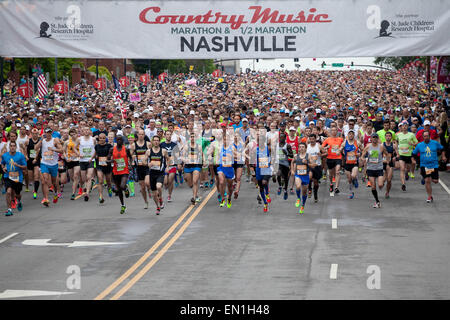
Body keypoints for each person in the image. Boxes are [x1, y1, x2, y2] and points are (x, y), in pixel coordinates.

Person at [412, 131, 447, 203]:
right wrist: (414, 160)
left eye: (427, 136)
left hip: (434, 165)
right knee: (427, 181)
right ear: (423, 137)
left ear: (429, 136)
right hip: (424, 165)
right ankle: (429, 196)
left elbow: (442, 149)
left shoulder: (435, 143)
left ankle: (425, 176)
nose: (426, 137)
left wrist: (443, 156)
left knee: (435, 181)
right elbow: (413, 153)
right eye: (424, 136)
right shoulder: (419, 145)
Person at [34, 127, 64, 207]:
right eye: (47, 132)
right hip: (44, 163)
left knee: (54, 182)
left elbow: (61, 150)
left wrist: (53, 149)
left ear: (52, 133)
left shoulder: (55, 140)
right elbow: (35, 148)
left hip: (53, 164)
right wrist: (40, 140)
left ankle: (55, 193)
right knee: (45, 180)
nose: (48, 134)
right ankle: (45, 198)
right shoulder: (42, 141)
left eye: (50, 132)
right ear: (44, 133)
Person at [361, 133, 389, 208]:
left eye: (376, 137)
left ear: (378, 138)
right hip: (370, 168)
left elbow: (387, 154)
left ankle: (383, 182)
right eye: (373, 137)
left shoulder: (381, 147)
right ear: (371, 138)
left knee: (380, 185)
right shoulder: (368, 147)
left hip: (379, 168)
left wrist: (388, 161)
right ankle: (377, 201)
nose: (375, 139)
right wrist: (363, 159)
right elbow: (362, 155)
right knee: (373, 187)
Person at [1, 141, 27, 216]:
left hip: (18, 177)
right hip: (8, 176)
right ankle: (9, 209)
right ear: (9, 147)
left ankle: (19, 201)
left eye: (14, 146)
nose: (12, 147)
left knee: (17, 194)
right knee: (8, 192)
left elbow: (25, 167)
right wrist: (3, 168)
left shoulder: (20, 155)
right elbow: (2, 163)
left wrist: (18, 165)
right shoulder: (5, 155)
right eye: (11, 146)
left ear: (16, 147)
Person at [108, 135, 131, 214]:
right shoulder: (112, 149)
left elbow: (130, 157)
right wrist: (110, 161)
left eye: (120, 140)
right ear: (115, 140)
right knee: (119, 190)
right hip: (116, 171)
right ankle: (123, 205)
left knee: (122, 186)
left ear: (123, 141)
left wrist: (130, 164)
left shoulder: (126, 149)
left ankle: (126, 189)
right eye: (117, 140)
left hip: (124, 170)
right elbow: (108, 158)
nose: (119, 141)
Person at [129, 129, 151, 209]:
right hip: (139, 167)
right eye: (140, 134)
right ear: (137, 135)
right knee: (142, 187)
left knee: (147, 183)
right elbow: (131, 155)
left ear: (144, 135)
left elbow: (152, 152)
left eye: (142, 134)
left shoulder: (148, 144)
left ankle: (149, 190)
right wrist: (132, 157)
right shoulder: (134, 145)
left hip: (147, 167)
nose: (141, 136)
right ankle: (146, 202)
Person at [148, 135, 170, 215]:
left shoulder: (163, 151)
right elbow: (143, 161)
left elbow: (168, 159)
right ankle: (157, 206)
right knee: (154, 194)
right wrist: (148, 164)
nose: (156, 142)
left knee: (159, 186)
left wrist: (167, 167)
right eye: (155, 140)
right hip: (152, 173)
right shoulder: (149, 151)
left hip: (160, 173)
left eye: (157, 140)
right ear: (153, 142)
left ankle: (160, 198)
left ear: (159, 141)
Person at [91, 133, 113, 204]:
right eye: (101, 138)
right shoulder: (97, 146)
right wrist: (92, 158)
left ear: (105, 139)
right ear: (99, 139)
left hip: (107, 165)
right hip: (99, 165)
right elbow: (95, 153)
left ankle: (109, 189)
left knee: (108, 181)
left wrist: (111, 159)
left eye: (103, 138)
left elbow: (112, 154)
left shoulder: (109, 146)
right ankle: (100, 196)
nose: (102, 139)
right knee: (100, 181)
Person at [396, 120, 418, 191]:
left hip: (409, 154)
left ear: (407, 127)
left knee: (407, 168)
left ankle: (407, 172)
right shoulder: (398, 135)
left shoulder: (411, 134)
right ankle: (403, 184)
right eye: (403, 126)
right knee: (402, 168)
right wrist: (397, 151)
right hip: (401, 154)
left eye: (406, 125)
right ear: (401, 127)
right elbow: (395, 142)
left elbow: (416, 143)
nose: (404, 127)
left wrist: (412, 144)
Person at [291, 142, 312, 214]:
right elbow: (292, 162)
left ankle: (303, 205)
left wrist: (307, 163)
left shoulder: (308, 156)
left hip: (305, 176)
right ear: (298, 148)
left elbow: (313, 165)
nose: (301, 148)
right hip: (298, 175)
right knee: (298, 186)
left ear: (305, 148)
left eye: (303, 147)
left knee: (304, 192)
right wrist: (292, 170)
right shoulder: (296, 156)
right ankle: (298, 198)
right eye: (300, 147)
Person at [322, 126, 343, 196]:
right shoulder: (327, 139)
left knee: (337, 172)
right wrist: (326, 148)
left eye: (335, 130)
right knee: (331, 174)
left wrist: (341, 149)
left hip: (338, 158)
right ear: (331, 132)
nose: (334, 132)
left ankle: (336, 187)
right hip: (330, 158)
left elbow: (343, 147)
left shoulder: (340, 139)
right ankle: (331, 183)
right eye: (332, 130)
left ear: (337, 132)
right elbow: (322, 148)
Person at [76, 126, 96, 201]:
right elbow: (74, 148)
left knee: (89, 176)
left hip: (90, 160)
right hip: (82, 161)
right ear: (83, 131)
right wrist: (78, 154)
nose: (86, 131)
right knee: (84, 178)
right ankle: (85, 186)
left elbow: (95, 149)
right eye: (85, 130)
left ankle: (87, 193)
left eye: (88, 130)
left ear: (90, 131)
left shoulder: (93, 139)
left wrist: (92, 157)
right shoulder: (79, 139)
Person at [341, 129, 360, 199]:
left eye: (352, 134)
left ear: (354, 135)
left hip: (355, 163)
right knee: (349, 179)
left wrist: (359, 154)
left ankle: (355, 179)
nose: (351, 135)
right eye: (349, 134)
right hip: (347, 163)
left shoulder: (357, 142)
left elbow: (363, 149)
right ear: (347, 135)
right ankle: (351, 192)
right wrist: (339, 151)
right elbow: (340, 149)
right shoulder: (344, 142)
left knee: (353, 175)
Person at [24, 128, 42, 199]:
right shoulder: (28, 141)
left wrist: (36, 158)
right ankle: (33, 185)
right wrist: (25, 156)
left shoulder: (40, 141)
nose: (35, 135)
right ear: (31, 134)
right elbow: (24, 149)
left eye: (36, 133)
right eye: (33, 133)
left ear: (38, 134)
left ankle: (35, 192)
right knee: (31, 178)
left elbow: (38, 150)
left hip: (36, 160)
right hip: (29, 160)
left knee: (36, 176)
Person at [277, 133, 294, 200]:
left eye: (283, 137)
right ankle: (280, 186)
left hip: (286, 164)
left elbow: (292, 155)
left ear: (285, 138)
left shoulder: (288, 146)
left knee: (286, 178)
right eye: (280, 137)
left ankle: (285, 190)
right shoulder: (277, 145)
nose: (281, 139)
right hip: (279, 163)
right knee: (278, 174)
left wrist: (286, 153)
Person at [382, 131, 397, 199]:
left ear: (391, 137)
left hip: (390, 164)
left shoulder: (393, 145)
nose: (388, 137)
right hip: (383, 163)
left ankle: (387, 192)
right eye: (387, 136)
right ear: (385, 137)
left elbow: (398, 154)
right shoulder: (382, 145)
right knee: (383, 181)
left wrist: (395, 157)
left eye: (389, 136)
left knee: (389, 179)